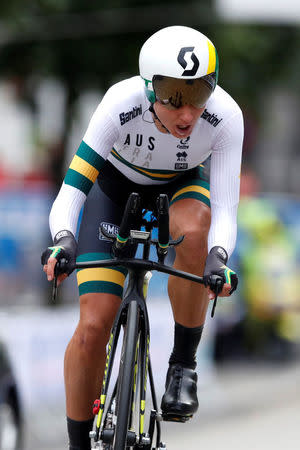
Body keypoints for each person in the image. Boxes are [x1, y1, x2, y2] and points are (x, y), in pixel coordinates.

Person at [42, 25, 243, 450]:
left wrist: (219, 258)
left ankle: (183, 365)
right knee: (94, 326)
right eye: (173, 96)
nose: (187, 112)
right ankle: (78, 442)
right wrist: (63, 239)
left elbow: (226, 206)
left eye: (199, 93)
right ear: (150, 88)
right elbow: (73, 190)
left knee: (197, 229)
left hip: (181, 189)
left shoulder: (225, 116)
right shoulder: (120, 102)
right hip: (113, 194)